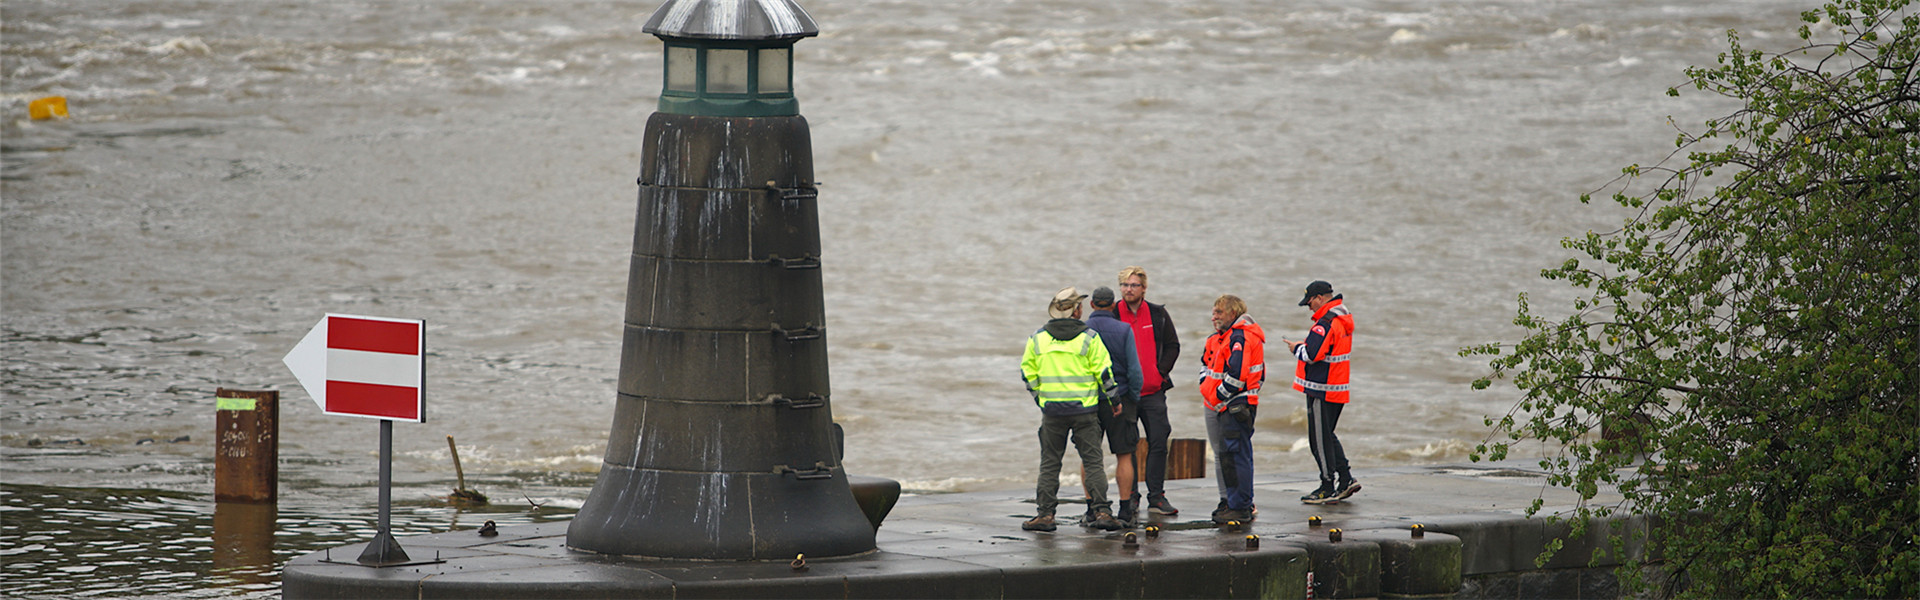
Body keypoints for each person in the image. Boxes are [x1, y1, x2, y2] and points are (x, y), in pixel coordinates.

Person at [1020, 287, 1124, 532]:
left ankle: (1045, 516)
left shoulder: (1038, 338)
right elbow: (1104, 374)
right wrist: (1114, 400)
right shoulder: (1089, 338)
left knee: (1049, 462)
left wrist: (1041, 399)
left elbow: (1028, 374)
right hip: (1084, 411)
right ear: (1077, 311)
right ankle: (1102, 512)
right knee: (1093, 462)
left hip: (1052, 412)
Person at [1282, 280, 1359, 505]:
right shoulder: (1343, 319)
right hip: (1337, 388)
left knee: (1318, 441)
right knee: (1328, 436)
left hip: (1320, 390)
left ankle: (1327, 485)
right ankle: (1345, 479)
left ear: (1319, 298)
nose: (1309, 308)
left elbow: (1312, 354)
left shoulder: (1324, 323)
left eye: (1309, 303)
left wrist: (1296, 348)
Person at [1115, 266, 1181, 517]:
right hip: (1125, 394)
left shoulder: (1158, 313)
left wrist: (1159, 372)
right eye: (1124, 285)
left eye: (1133, 285)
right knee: (1127, 446)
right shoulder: (1113, 314)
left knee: (1158, 442)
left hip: (1153, 391)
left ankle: (1156, 496)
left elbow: (1173, 345)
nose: (1128, 290)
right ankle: (1130, 497)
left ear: (1144, 288)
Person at [1198, 294, 1264, 524]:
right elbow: (1205, 366)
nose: (1214, 316)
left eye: (1219, 312)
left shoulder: (1241, 338)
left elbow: (1237, 376)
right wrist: (1206, 389)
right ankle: (1230, 502)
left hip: (1234, 406)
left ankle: (1241, 506)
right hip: (1221, 404)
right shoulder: (1219, 338)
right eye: (1213, 312)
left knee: (1237, 456)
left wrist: (1217, 397)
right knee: (1225, 456)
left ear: (1233, 314)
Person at [1083, 286, 1144, 526]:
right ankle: (1125, 509)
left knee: (1090, 457)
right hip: (1121, 398)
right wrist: (1134, 397)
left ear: (1091, 305)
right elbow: (1134, 370)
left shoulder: (1083, 331)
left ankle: (1091, 508)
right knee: (1124, 455)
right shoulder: (1124, 329)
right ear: (1113, 305)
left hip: (1088, 400)